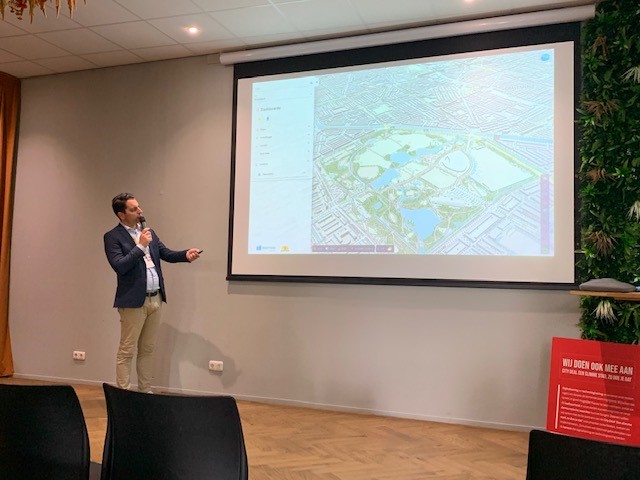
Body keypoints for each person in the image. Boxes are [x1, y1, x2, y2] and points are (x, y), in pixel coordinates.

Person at [104, 193, 200, 392]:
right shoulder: (113, 237)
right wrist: (140, 246)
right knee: (127, 351)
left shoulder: (148, 232)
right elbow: (120, 266)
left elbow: (165, 253)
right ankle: (123, 395)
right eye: (134, 209)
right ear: (122, 215)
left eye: (139, 207)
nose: (140, 211)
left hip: (155, 298)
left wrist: (185, 255)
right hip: (133, 302)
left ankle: (145, 392)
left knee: (147, 349)